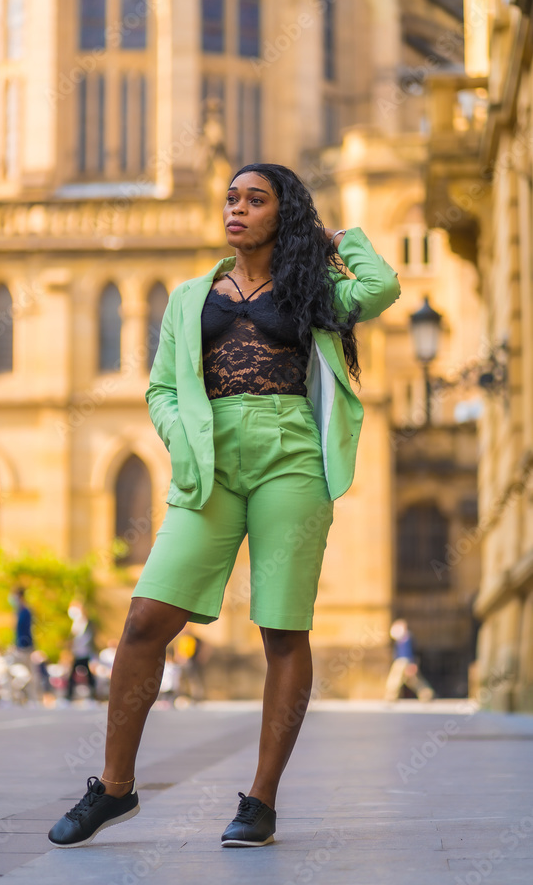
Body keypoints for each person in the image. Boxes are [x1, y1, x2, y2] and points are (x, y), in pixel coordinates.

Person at [48, 162, 401, 850]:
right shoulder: (188, 296)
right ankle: (114, 788)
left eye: (255, 200)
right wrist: (183, 442)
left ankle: (259, 802)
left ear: (282, 214)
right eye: (231, 198)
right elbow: (161, 389)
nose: (236, 209)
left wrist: (331, 239)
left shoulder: (314, 288)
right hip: (208, 462)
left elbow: (383, 287)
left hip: (289, 454)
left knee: (281, 628)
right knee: (146, 618)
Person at [384, 618, 435, 703]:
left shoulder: (406, 638)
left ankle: (391, 696)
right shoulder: (401, 639)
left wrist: (412, 664)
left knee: (395, 679)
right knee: (412, 680)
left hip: (403, 662)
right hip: (403, 661)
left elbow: (409, 652)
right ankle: (426, 693)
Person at [65, 601, 98, 702]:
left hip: (84, 653)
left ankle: (92, 695)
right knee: (79, 675)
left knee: (85, 675)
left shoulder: (84, 621)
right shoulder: (77, 622)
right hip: (79, 652)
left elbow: (83, 638)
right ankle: (70, 695)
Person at [11, 587, 39, 703]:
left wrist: (27, 645)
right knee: (18, 673)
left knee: (28, 673)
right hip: (19, 647)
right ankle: (20, 698)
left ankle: (32, 698)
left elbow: (27, 631)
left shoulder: (26, 612)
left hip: (25, 647)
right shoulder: (18, 612)